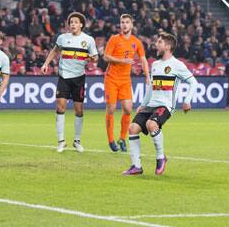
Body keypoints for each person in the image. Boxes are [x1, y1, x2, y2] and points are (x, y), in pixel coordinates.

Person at [123, 33, 198, 176]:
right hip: (151, 104)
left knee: (151, 124)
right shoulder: (155, 65)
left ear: (168, 46)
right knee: (132, 128)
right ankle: (136, 167)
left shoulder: (177, 65)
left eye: (159, 42)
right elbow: (151, 87)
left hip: (165, 105)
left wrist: (187, 100)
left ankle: (161, 157)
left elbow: (193, 82)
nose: (156, 44)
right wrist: (143, 104)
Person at [41, 12, 98, 153]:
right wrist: (46, 64)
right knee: (60, 107)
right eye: (71, 22)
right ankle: (61, 141)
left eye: (75, 22)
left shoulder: (88, 40)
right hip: (64, 77)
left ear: (81, 25)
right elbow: (54, 51)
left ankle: (77, 141)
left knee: (79, 110)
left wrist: (92, 58)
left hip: (79, 78)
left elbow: (96, 57)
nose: (72, 24)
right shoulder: (62, 38)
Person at [103, 14, 150, 152]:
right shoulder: (114, 39)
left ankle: (122, 139)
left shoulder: (137, 42)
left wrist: (147, 75)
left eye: (127, 22)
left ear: (131, 25)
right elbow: (105, 56)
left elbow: (143, 60)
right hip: (111, 79)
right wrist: (122, 61)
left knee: (128, 109)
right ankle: (111, 140)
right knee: (111, 109)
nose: (124, 24)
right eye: (122, 22)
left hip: (125, 80)